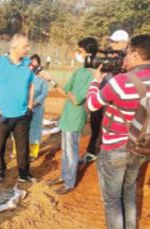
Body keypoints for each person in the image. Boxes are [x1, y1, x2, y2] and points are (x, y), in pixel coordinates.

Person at [86, 34, 150, 229]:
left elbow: (92, 104)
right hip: (140, 146)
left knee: (112, 199)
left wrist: (96, 81)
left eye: (128, 52)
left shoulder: (121, 82)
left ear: (137, 54)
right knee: (128, 194)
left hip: (115, 148)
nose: (124, 57)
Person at [48, 37, 98, 195]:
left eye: (80, 51)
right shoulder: (79, 71)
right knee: (65, 149)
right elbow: (65, 92)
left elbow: (77, 99)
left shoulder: (91, 75)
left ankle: (69, 182)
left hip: (76, 117)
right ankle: (64, 176)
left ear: (89, 54)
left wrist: (67, 92)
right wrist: (52, 82)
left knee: (72, 150)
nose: (77, 54)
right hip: (67, 116)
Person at [0, 33, 36, 183]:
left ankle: (23, 173)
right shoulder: (0, 63)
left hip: (22, 114)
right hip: (4, 114)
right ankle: (0, 171)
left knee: (23, 147)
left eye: (28, 45)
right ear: (14, 47)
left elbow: (31, 84)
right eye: (25, 46)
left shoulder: (28, 64)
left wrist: (30, 104)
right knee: (0, 145)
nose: (28, 49)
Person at [80, 29, 130, 164]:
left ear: (124, 43)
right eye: (111, 41)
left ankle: (98, 152)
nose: (112, 44)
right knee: (96, 125)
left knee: (108, 126)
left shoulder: (129, 59)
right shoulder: (108, 53)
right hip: (101, 93)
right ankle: (92, 152)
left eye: (115, 42)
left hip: (115, 98)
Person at [12, 54, 49, 160]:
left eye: (36, 63)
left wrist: (34, 103)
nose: (34, 65)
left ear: (39, 65)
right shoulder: (24, 75)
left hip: (37, 109)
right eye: (31, 63)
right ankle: (17, 151)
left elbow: (44, 93)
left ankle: (33, 153)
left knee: (35, 130)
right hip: (22, 107)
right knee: (19, 129)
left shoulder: (42, 78)